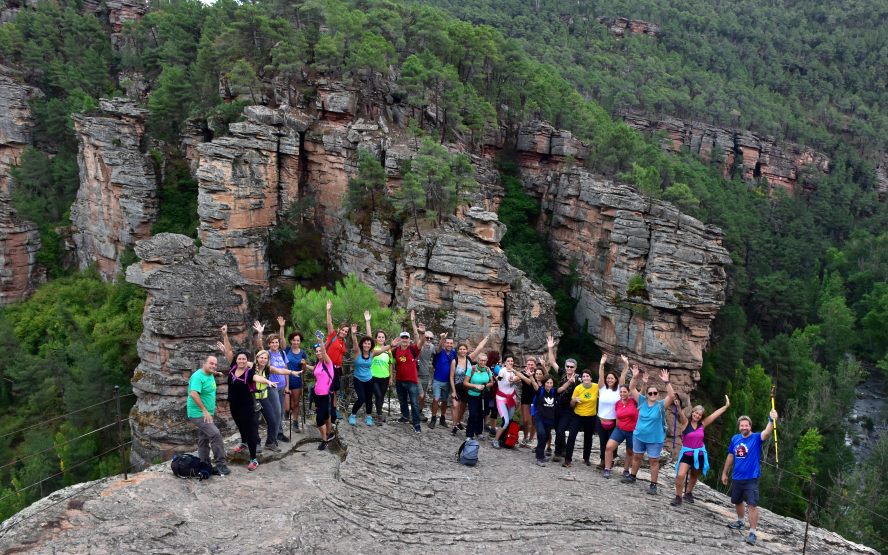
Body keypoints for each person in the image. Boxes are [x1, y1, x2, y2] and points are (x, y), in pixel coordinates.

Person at [219, 325, 278, 471]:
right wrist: (225, 335)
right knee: (240, 425)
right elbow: (228, 351)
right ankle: (243, 441)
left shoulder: (249, 373)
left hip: (247, 407)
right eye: (239, 359)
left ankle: (253, 459)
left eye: (244, 359)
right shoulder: (233, 367)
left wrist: (268, 381)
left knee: (251, 430)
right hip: (234, 405)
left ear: (247, 361)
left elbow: (258, 377)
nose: (241, 361)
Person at [721, 409, 778, 546]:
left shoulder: (756, 438)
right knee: (737, 500)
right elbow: (730, 456)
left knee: (752, 504)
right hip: (737, 477)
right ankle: (740, 521)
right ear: (739, 426)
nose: (744, 427)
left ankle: (752, 532)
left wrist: (771, 420)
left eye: (746, 425)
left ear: (750, 426)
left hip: (751, 477)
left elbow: (767, 432)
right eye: (742, 425)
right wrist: (725, 472)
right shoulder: (735, 438)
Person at [622, 367, 676, 494]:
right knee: (636, 457)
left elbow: (672, 396)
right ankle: (632, 476)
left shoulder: (661, 405)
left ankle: (653, 485)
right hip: (639, 436)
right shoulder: (641, 401)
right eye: (650, 393)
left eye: (655, 393)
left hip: (654, 439)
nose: (652, 395)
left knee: (654, 461)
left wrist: (667, 382)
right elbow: (631, 388)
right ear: (647, 395)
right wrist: (635, 376)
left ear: (658, 395)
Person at [671, 395, 730, 506]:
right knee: (680, 475)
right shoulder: (685, 423)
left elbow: (714, 415)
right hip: (687, 453)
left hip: (699, 453)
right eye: (696, 413)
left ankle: (688, 493)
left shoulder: (702, 424)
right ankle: (678, 497)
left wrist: (726, 406)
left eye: (699, 414)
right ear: (692, 412)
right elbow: (680, 412)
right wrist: (678, 406)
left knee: (694, 475)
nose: (697, 415)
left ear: (701, 416)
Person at [252, 321, 300, 452]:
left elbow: (284, 369)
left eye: (276, 342)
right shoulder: (266, 354)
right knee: (277, 412)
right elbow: (260, 347)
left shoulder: (282, 353)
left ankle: (278, 434)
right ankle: (272, 438)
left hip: (282, 386)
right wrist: (260, 334)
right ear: (269, 344)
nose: (274, 344)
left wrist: (287, 386)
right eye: (272, 342)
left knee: (279, 412)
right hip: (271, 387)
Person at [186, 353, 229, 476]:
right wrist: (204, 410)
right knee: (215, 434)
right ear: (204, 363)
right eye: (211, 363)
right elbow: (193, 393)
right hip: (198, 413)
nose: (214, 366)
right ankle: (221, 464)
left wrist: (218, 373)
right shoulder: (197, 377)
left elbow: (212, 372)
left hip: (207, 413)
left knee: (203, 439)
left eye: (215, 364)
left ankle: (204, 464)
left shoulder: (210, 374)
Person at [449, 333, 491, 435]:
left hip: (467, 387)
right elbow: (451, 377)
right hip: (457, 386)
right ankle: (454, 426)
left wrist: (487, 337)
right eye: (461, 349)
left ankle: (458, 422)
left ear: (467, 350)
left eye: (464, 349)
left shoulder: (469, 358)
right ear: (458, 351)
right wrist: (453, 391)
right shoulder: (455, 361)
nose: (462, 351)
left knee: (463, 406)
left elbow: (479, 348)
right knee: (455, 405)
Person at [392, 310, 427, 433]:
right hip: (399, 380)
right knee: (402, 401)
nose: (405, 340)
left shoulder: (413, 349)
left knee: (414, 402)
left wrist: (422, 333)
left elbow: (422, 342)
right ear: (400, 339)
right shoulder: (395, 351)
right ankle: (405, 417)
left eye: (406, 338)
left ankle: (416, 423)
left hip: (412, 381)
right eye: (403, 338)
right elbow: (389, 360)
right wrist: (391, 345)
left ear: (409, 340)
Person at [594, 354, 627, 469]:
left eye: (612, 378)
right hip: (601, 420)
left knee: (612, 443)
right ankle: (603, 461)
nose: (609, 380)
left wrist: (626, 364)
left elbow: (623, 375)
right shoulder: (602, 388)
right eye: (608, 378)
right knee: (603, 442)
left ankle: (610, 460)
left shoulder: (619, 390)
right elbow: (600, 376)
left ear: (616, 380)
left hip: (613, 421)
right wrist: (602, 364)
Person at [603, 379, 639, 479]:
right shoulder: (618, 403)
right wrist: (617, 427)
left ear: (629, 392)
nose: (622, 394)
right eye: (621, 392)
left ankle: (626, 470)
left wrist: (642, 382)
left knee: (630, 451)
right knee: (609, 447)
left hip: (632, 431)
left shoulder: (634, 402)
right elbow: (617, 417)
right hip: (620, 429)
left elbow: (642, 394)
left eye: (624, 392)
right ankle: (607, 468)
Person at [563, 370, 598, 468]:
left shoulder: (596, 387)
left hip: (591, 417)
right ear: (581, 379)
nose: (586, 378)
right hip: (578, 416)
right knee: (571, 436)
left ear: (591, 378)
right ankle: (568, 459)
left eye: (587, 376)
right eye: (584, 376)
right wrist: (574, 400)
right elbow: (571, 404)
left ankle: (586, 458)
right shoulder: (578, 388)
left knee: (588, 438)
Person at [366, 310, 393, 424]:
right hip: (374, 376)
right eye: (379, 337)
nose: (381, 338)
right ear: (376, 338)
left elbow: (390, 364)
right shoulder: (373, 348)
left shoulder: (389, 350)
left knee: (381, 396)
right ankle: (379, 415)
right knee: (377, 395)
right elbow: (368, 335)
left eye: (383, 337)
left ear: (385, 339)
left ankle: (378, 414)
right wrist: (368, 321)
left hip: (385, 377)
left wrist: (391, 377)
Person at [324, 299, 349, 419]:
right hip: (328, 367)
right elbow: (329, 324)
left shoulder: (343, 342)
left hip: (337, 369)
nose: (344, 332)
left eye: (346, 331)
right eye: (343, 330)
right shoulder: (332, 336)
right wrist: (328, 311)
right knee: (326, 389)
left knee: (334, 391)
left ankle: (333, 411)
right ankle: (326, 410)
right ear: (339, 329)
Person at [312, 337, 337, 450]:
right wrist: (304, 366)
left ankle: (324, 440)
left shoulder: (328, 363)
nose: (318, 353)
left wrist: (321, 342)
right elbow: (316, 373)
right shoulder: (318, 364)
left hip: (325, 395)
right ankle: (330, 433)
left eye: (320, 351)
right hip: (317, 394)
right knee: (326, 415)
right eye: (316, 352)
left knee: (319, 418)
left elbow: (325, 352)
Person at [348, 324, 375, 426]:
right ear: (362, 344)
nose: (367, 345)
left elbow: (370, 338)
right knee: (361, 398)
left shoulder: (372, 353)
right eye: (365, 343)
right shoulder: (357, 353)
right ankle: (353, 415)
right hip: (358, 378)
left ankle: (369, 416)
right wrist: (353, 334)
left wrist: (391, 346)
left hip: (369, 379)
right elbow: (355, 342)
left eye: (368, 344)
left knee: (369, 399)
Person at [463, 352, 493, 441]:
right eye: (481, 360)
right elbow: (465, 383)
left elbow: (492, 382)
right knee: (473, 414)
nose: (482, 362)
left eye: (484, 360)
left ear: (487, 361)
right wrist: (475, 386)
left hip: (484, 394)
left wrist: (485, 386)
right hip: (473, 394)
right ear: (477, 360)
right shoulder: (471, 369)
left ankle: (479, 432)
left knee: (482, 413)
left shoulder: (487, 370)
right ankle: (469, 434)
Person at [491, 354, 519, 448]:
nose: (510, 363)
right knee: (505, 421)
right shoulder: (502, 370)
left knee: (510, 420)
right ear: (504, 363)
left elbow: (517, 378)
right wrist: (499, 378)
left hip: (511, 397)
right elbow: (500, 377)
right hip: (502, 399)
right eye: (508, 361)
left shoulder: (513, 371)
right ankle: (495, 440)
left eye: (512, 361)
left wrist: (514, 379)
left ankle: (505, 440)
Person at [284, 330, 308, 432]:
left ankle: (295, 423)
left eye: (298, 340)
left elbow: (304, 371)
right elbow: (281, 340)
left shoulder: (303, 353)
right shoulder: (287, 349)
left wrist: (303, 364)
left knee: (296, 403)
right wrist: (282, 327)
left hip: (297, 381)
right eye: (294, 340)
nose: (296, 342)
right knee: (287, 406)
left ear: (300, 341)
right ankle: (286, 413)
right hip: (286, 379)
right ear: (290, 341)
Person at [430, 333, 456, 428]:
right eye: (447, 343)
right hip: (437, 380)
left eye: (451, 343)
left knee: (445, 401)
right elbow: (439, 348)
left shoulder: (454, 353)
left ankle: (442, 418)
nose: (449, 345)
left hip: (448, 381)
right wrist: (442, 338)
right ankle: (433, 418)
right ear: (444, 344)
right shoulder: (440, 352)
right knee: (436, 399)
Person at [532, 376, 558, 467]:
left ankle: (541, 455)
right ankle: (539, 458)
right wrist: (531, 376)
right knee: (542, 435)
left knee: (545, 437)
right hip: (539, 417)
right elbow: (535, 385)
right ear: (544, 383)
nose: (549, 385)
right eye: (547, 383)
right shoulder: (540, 390)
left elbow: (562, 388)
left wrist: (569, 382)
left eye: (551, 383)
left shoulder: (554, 391)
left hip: (549, 419)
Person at [515, 357, 540, 447]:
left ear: (535, 365)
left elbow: (530, 382)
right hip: (525, 399)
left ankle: (530, 438)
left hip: (535, 399)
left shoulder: (538, 373)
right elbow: (517, 377)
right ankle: (525, 437)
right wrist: (513, 378)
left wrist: (516, 372)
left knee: (534, 420)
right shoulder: (523, 373)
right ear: (526, 365)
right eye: (528, 364)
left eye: (532, 364)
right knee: (525, 420)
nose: (530, 366)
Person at [416, 328, 436, 422]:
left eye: (430, 338)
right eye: (427, 337)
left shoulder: (432, 347)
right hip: (416, 375)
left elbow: (438, 351)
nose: (428, 339)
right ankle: (415, 413)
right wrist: (413, 322)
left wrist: (443, 339)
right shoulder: (419, 345)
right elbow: (418, 339)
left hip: (426, 375)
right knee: (420, 395)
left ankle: (419, 412)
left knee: (422, 397)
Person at [484, 351, 501, 436]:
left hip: (487, 390)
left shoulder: (486, 365)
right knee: (494, 409)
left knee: (486, 408)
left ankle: (484, 424)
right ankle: (493, 428)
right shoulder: (497, 367)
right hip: (494, 392)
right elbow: (501, 376)